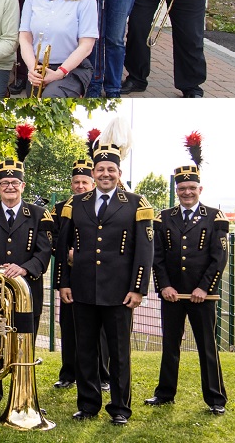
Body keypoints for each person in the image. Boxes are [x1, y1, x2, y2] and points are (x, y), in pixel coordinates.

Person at [58, 143, 155, 425]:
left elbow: (144, 251)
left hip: (119, 293)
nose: (105, 174)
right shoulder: (75, 204)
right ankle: (88, 405)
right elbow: (64, 248)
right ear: (93, 172)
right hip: (83, 290)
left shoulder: (138, 203)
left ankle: (120, 409)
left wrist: (138, 288)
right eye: (100, 169)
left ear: (118, 172)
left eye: (110, 169)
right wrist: (64, 283)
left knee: (119, 353)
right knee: (85, 351)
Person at [0, 156, 53, 414]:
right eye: (4, 183)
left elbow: (44, 252)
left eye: (14, 183)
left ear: (23, 186)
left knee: (23, 344)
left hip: (26, 293)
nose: (10, 187)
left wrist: (25, 268)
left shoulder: (39, 215)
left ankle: (23, 395)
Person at [146, 153, 228, 414]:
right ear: (176, 190)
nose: (187, 192)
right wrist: (164, 287)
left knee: (207, 347)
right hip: (173, 294)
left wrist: (204, 287)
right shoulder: (163, 217)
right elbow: (156, 258)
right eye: (182, 188)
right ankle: (165, 393)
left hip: (202, 295)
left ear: (200, 189)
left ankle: (215, 399)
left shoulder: (215, 217)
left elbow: (219, 258)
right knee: (170, 345)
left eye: (192, 188)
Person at [50, 159, 111, 391]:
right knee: (69, 324)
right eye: (76, 182)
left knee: (101, 329)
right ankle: (68, 373)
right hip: (70, 275)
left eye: (84, 181)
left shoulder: (102, 205)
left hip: (98, 276)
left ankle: (103, 375)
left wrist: (83, 254)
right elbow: (54, 238)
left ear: (93, 181)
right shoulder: (60, 208)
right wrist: (66, 252)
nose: (80, 186)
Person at [19, 0, 97, 97]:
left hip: (71, 68)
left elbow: (87, 45)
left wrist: (60, 72)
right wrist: (31, 68)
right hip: (38, 68)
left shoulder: (86, 0)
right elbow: (24, 37)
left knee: (51, 98)